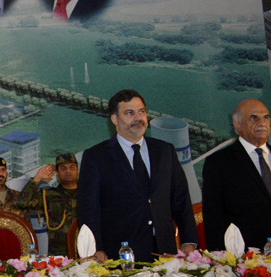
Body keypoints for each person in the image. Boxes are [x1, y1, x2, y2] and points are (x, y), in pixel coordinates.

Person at [77, 89, 196, 262]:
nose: (138, 118)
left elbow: (181, 200)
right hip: (119, 253)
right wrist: (96, 249)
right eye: (129, 113)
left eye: (142, 111)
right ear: (114, 119)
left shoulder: (165, 151)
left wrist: (188, 240)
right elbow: (89, 209)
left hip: (164, 251)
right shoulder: (96, 157)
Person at [203, 99, 271, 252]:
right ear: (237, 125)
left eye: (266, 117)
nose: (262, 122)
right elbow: (213, 216)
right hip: (245, 258)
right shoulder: (219, 162)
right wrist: (222, 260)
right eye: (254, 118)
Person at [15, 153, 80, 256]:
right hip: (59, 255)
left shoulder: (89, 193)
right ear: (57, 174)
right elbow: (22, 202)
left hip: (86, 250)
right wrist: (37, 178)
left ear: (77, 171)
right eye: (63, 168)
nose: (68, 171)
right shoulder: (48, 195)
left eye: (72, 167)